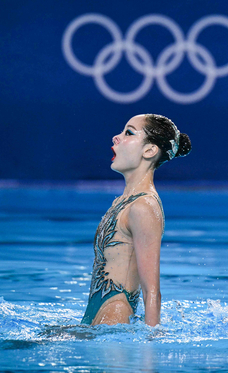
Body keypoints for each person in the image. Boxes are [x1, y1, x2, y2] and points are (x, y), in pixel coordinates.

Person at [81, 114, 191, 327]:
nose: (116, 137)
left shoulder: (143, 207)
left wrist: (150, 349)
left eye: (128, 133)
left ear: (149, 151)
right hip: (99, 318)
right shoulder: (123, 201)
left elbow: (152, 291)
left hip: (115, 318)